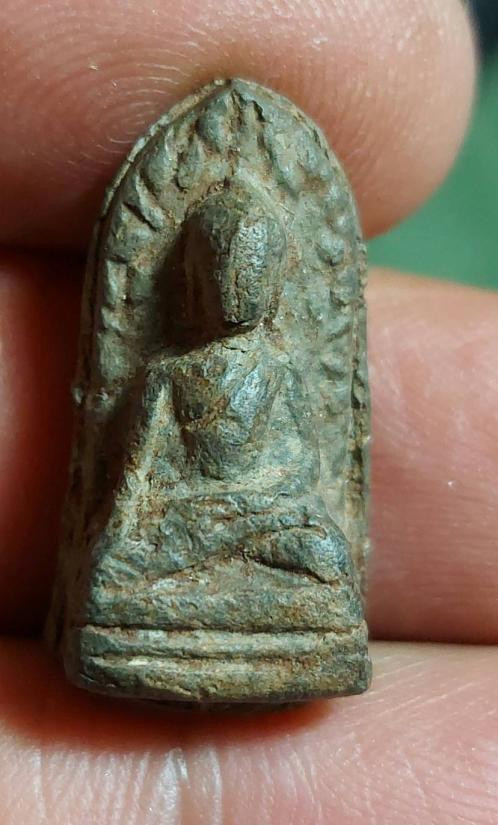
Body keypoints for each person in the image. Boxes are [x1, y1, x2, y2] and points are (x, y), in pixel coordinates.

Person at [0, 0, 496, 822]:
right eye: (224, 271)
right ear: (193, 279)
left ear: (272, 283)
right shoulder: (165, 377)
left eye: (253, 273)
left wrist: (255, 518)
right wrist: (169, 531)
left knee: (325, 555)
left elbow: (299, 480)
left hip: (260, 523)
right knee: (116, 564)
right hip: (189, 527)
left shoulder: (283, 375)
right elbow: (132, 497)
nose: (239, 289)